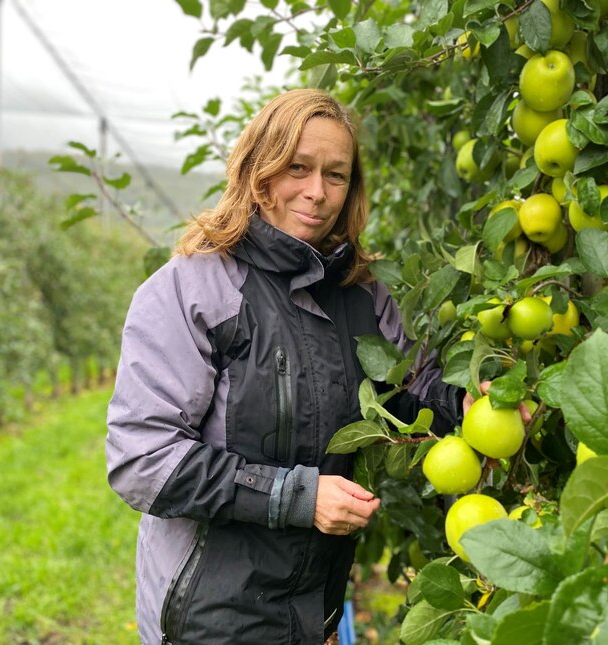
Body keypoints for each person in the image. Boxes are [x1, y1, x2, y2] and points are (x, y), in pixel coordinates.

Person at [105, 88, 465, 644]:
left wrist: (475, 397)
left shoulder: (364, 299)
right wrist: (296, 497)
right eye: (297, 167)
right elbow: (143, 459)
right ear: (258, 170)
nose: (317, 192)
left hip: (312, 610)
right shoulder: (193, 289)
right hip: (212, 619)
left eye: (336, 175)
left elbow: (413, 394)